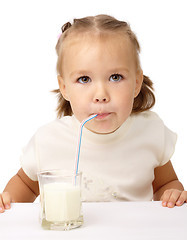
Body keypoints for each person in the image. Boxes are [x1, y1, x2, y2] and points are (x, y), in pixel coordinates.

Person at [0, 14, 186, 213]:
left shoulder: (150, 131)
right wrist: (8, 201)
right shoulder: (48, 141)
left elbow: (165, 184)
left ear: (136, 83)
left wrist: (172, 194)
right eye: (84, 79)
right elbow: (26, 185)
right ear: (64, 88)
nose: (100, 95)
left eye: (115, 77)